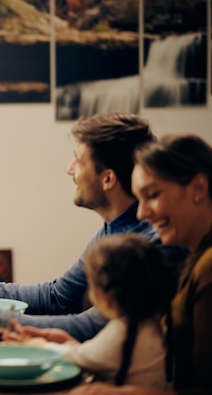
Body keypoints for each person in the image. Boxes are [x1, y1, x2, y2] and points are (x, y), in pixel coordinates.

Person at [0, 112, 188, 341]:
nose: (70, 170)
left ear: (107, 179)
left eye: (79, 161)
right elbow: (58, 297)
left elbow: (96, 326)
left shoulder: (155, 243)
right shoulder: (113, 228)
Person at [67, 134, 212, 394]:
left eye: (152, 195)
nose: (142, 213)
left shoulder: (208, 268)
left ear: (199, 189)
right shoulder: (195, 258)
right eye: (139, 198)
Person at [5, 233, 174, 388]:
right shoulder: (151, 324)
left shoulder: (123, 331)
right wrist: (70, 343)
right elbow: (89, 354)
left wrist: (37, 345)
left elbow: (74, 357)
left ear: (105, 298)